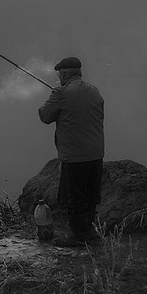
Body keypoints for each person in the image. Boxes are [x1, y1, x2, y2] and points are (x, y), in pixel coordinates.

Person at [38, 56, 105, 247]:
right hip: (96, 153)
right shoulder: (94, 91)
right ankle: (90, 232)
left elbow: (45, 115)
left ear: (64, 74)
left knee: (74, 198)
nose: (58, 76)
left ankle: (78, 236)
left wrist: (56, 96)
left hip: (74, 156)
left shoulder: (60, 93)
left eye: (59, 73)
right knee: (91, 195)